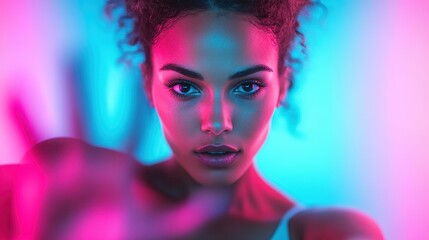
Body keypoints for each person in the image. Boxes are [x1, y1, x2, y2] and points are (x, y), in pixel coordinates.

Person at [0, 0, 384, 239]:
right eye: (185, 87)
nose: (216, 121)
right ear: (149, 81)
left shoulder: (329, 234)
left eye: (247, 87)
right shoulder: (68, 190)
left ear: (282, 85)